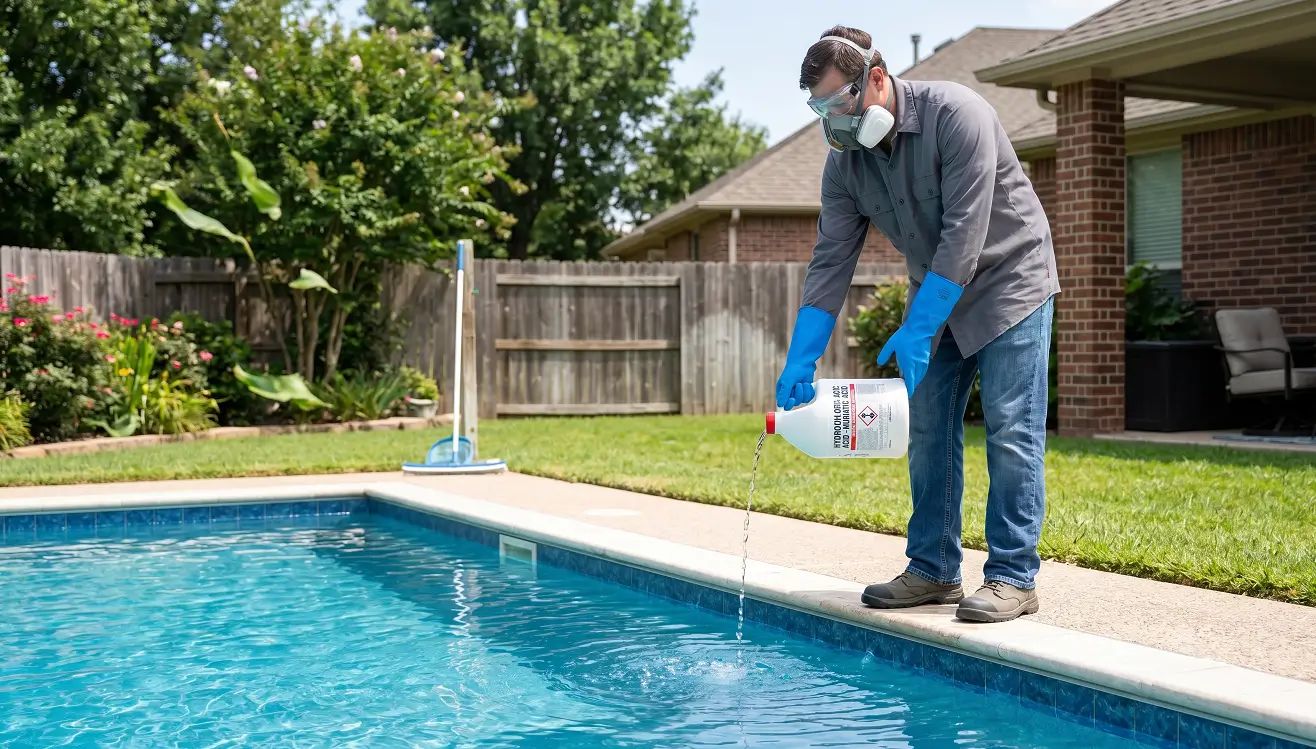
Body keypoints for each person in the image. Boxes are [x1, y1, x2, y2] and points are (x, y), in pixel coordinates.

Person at [776, 26, 1060, 623]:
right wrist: (801, 358)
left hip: (1011, 280)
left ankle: (1013, 576)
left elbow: (965, 237)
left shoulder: (959, 115)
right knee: (928, 431)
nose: (832, 119)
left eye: (839, 102)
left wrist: (919, 327)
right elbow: (830, 263)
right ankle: (933, 569)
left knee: (1010, 428)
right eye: (818, 108)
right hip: (937, 291)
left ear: (876, 79)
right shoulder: (845, 167)